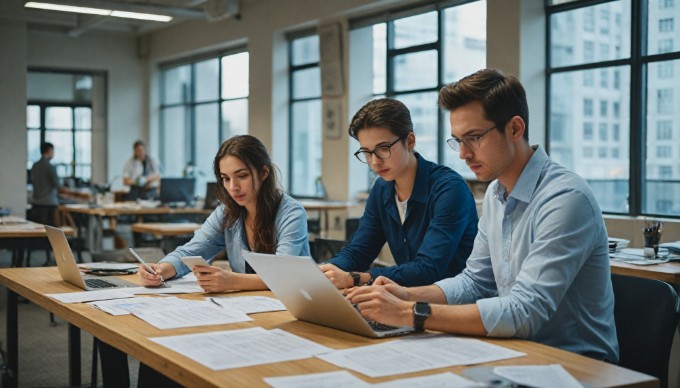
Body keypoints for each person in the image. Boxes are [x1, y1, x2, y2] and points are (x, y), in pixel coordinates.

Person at [346, 69, 619, 363]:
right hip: (512, 351)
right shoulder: (496, 193)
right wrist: (406, 295)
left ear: (515, 129)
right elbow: (474, 283)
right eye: (458, 140)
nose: (463, 154)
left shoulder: (565, 198)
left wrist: (407, 312)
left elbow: (524, 311)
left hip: (574, 364)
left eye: (473, 138)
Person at [99, 134, 310, 387]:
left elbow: (283, 274)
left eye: (241, 176)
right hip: (246, 314)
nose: (233, 187)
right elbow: (190, 250)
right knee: (163, 356)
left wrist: (231, 281)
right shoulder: (227, 212)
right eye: (225, 179)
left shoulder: (290, 212)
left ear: (263, 172)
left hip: (289, 317)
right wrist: (161, 269)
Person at [320, 98, 478, 288]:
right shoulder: (382, 188)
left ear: (410, 141)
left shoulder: (449, 189)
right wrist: (325, 271)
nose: (374, 162)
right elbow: (359, 252)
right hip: (406, 300)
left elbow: (428, 269)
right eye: (367, 153)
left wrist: (355, 278)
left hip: (453, 305)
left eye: (383, 149)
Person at [29, 142, 83, 225]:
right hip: (49, 204)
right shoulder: (50, 167)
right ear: (49, 151)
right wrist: (77, 193)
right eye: (53, 151)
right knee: (51, 231)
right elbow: (59, 187)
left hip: (36, 203)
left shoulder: (34, 166)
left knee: (39, 231)